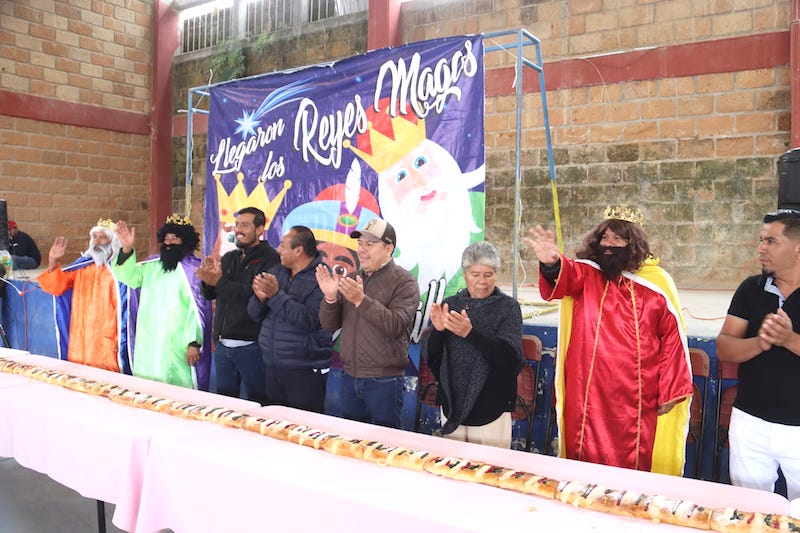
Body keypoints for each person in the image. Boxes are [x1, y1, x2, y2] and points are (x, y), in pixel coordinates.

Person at [525, 205, 692, 474]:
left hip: (637, 396)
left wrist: (670, 389)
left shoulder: (657, 282)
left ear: (633, 242)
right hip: (587, 392)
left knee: (634, 466)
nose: (609, 245)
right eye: (605, 238)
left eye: (618, 238)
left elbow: (673, 339)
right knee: (583, 463)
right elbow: (565, 275)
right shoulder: (588, 275)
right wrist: (550, 263)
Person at [716, 208, 800, 500]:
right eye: (761, 240)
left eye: (771, 241)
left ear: (798, 248)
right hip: (750, 421)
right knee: (749, 508)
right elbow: (724, 346)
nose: (760, 248)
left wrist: (789, 339)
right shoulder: (751, 288)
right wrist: (760, 343)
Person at [316, 217, 419, 428]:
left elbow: (396, 325)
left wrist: (361, 300)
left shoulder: (404, 281)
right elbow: (329, 325)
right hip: (349, 376)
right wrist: (330, 298)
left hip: (384, 382)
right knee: (352, 442)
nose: (362, 250)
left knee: (385, 445)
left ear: (388, 249)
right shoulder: (352, 278)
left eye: (369, 244)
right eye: (360, 244)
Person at [421, 241, 525, 448]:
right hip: (452, 402)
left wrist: (470, 334)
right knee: (452, 469)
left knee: (490, 472)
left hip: (492, 407)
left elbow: (509, 359)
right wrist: (438, 333)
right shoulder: (451, 304)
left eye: (488, 274)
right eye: (475, 274)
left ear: (496, 274)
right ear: (464, 274)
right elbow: (433, 358)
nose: (482, 281)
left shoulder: (508, 308)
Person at [112, 215, 212, 390]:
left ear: (186, 241)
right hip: (149, 342)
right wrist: (126, 249)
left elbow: (198, 310)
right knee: (147, 390)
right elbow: (128, 277)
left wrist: (195, 343)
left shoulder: (194, 270)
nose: (169, 242)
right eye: (166, 238)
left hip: (179, 345)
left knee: (177, 393)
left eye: (175, 238)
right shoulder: (151, 265)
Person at [196, 207, 279, 404]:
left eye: (245, 225)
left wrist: (219, 281)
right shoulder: (229, 258)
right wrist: (207, 281)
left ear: (260, 230)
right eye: (237, 225)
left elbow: (256, 294)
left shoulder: (271, 259)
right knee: (226, 405)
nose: (238, 230)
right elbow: (211, 294)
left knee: (260, 404)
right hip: (223, 346)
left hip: (252, 346)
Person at [248, 226, 332, 413]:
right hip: (272, 365)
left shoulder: (322, 277)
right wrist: (260, 299)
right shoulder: (276, 272)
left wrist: (275, 295)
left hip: (304, 370)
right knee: (274, 425)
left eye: (283, 246)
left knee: (304, 430)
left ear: (299, 250)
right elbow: (254, 315)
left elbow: (309, 320)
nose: (278, 250)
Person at [36, 219, 132, 373]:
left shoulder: (120, 269)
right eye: (95, 237)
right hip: (81, 338)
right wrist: (53, 262)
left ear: (113, 242)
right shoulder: (82, 266)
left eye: (103, 237)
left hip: (107, 339)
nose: (97, 241)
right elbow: (56, 288)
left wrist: (127, 249)